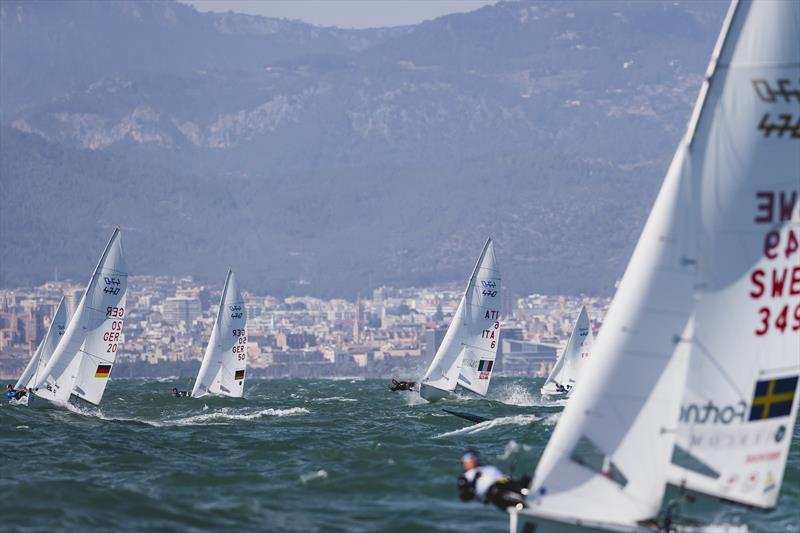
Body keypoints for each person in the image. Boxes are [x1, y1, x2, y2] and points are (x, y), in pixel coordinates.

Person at [457, 450, 531, 511]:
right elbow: (465, 497)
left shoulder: (486, 468)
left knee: (525, 480)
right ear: (464, 462)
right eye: (468, 458)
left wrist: (506, 477)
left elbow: (502, 479)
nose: (472, 460)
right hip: (494, 493)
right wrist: (474, 481)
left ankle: (533, 494)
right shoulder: (466, 477)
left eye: (473, 457)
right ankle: (525, 506)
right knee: (512, 500)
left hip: (503, 483)